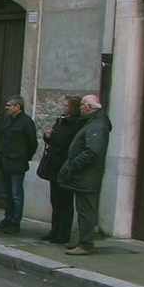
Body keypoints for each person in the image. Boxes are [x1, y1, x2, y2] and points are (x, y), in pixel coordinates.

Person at [59, 95, 112, 255]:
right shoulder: (92, 122)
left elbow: (92, 152)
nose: (80, 108)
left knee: (87, 210)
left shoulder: (97, 125)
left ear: (89, 107)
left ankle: (86, 244)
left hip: (87, 176)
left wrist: (73, 165)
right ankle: (81, 240)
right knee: (82, 209)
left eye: (82, 105)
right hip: (84, 176)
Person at [38, 96, 84, 244]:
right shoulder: (61, 120)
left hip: (64, 166)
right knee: (55, 201)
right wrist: (48, 136)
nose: (64, 107)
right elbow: (54, 140)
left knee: (65, 202)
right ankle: (54, 230)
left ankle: (63, 234)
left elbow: (68, 143)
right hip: (54, 165)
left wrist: (54, 137)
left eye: (66, 105)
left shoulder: (77, 124)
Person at [0, 95, 38, 234]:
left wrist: (24, 157)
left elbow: (32, 143)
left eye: (9, 105)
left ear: (18, 107)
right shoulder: (6, 121)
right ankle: (7, 218)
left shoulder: (26, 122)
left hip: (17, 162)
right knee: (7, 193)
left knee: (16, 193)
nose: (7, 108)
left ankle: (15, 222)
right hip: (4, 161)